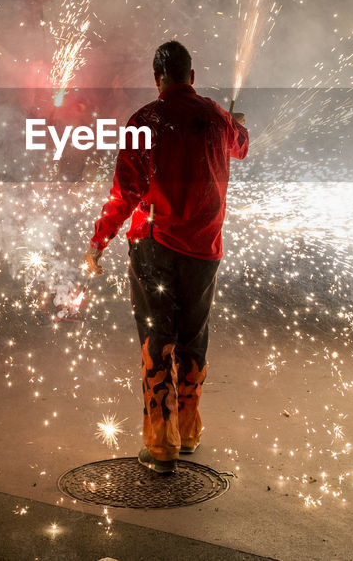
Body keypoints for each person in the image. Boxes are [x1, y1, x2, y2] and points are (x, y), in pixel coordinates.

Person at [82, 41, 249, 475]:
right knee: (193, 337)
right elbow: (242, 145)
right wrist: (236, 125)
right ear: (191, 76)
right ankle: (189, 431)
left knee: (158, 338)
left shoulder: (146, 120)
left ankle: (161, 443)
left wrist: (100, 240)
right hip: (205, 249)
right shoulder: (217, 116)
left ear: (158, 79)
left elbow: (125, 192)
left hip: (155, 246)